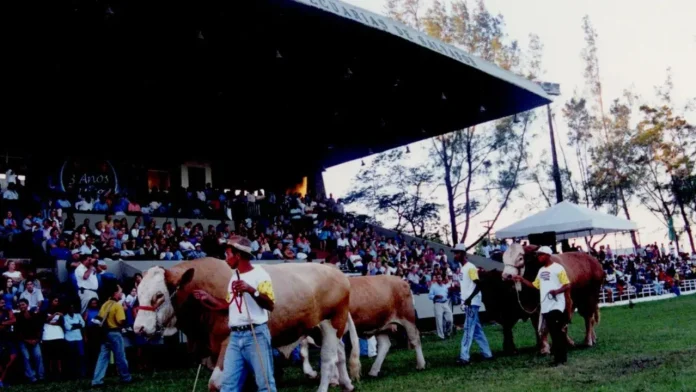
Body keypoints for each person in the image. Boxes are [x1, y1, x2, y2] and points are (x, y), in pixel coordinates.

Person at [193, 237, 276, 392]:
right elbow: (228, 305)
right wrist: (208, 298)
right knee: (228, 385)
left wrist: (251, 290)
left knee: (265, 384)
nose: (225, 260)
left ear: (238, 255)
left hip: (255, 334)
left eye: (227, 254)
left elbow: (270, 304)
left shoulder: (260, 274)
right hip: (235, 337)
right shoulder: (234, 277)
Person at [512, 246, 571, 366]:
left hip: (556, 305)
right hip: (546, 306)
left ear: (548, 255)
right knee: (554, 332)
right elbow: (535, 285)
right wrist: (521, 280)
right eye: (537, 255)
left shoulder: (558, 268)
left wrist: (557, 291)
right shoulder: (541, 271)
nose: (538, 257)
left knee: (557, 332)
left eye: (541, 255)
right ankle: (559, 358)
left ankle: (560, 358)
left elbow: (567, 285)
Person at [454, 243, 493, 365]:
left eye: (457, 253)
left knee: (468, 329)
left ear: (463, 254)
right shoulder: (463, 268)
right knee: (476, 330)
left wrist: (470, 298)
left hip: (471, 303)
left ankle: (464, 356)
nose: (455, 255)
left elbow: (479, 284)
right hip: (468, 302)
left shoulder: (470, 268)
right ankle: (487, 353)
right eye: (455, 253)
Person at [91, 284, 132, 387]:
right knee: (120, 357)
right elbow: (120, 321)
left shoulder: (105, 304)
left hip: (104, 333)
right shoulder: (118, 305)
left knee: (103, 357)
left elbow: (99, 318)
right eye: (120, 291)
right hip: (115, 333)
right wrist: (125, 311)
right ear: (115, 293)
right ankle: (125, 377)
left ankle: (97, 380)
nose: (121, 293)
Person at [428, 273, 453, 339]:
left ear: (442, 279)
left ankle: (448, 333)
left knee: (450, 319)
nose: (439, 279)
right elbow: (430, 296)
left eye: (440, 277)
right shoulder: (433, 286)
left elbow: (447, 294)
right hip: (437, 304)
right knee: (439, 321)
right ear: (436, 279)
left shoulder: (445, 286)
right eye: (437, 277)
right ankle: (441, 336)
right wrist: (436, 296)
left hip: (445, 303)